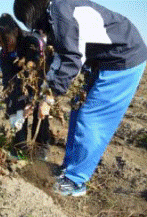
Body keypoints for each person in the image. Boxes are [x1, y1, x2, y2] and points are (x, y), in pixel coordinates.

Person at [13, 0, 147, 196]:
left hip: (123, 60)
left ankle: (76, 181)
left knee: (90, 117)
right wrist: (35, 101)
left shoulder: (60, 12)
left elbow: (72, 59)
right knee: (77, 110)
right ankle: (69, 168)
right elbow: (58, 62)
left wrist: (48, 100)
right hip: (104, 62)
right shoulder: (55, 15)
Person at [0, 13, 50, 160]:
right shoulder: (4, 54)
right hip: (20, 81)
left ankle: (41, 146)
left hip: (41, 76)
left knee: (40, 107)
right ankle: (21, 146)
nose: (3, 44)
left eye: (5, 39)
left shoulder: (31, 42)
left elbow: (34, 75)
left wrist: (30, 102)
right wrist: (13, 105)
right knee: (15, 106)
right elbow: (8, 81)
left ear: (16, 32)